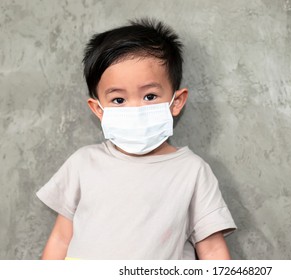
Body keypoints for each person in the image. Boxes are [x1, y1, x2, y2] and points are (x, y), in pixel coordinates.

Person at [36, 18, 236, 260]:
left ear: (177, 101)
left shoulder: (192, 172)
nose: (136, 109)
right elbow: (60, 238)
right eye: (118, 100)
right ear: (99, 109)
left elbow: (212, 249)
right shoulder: (83, 163)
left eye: (150, 96)